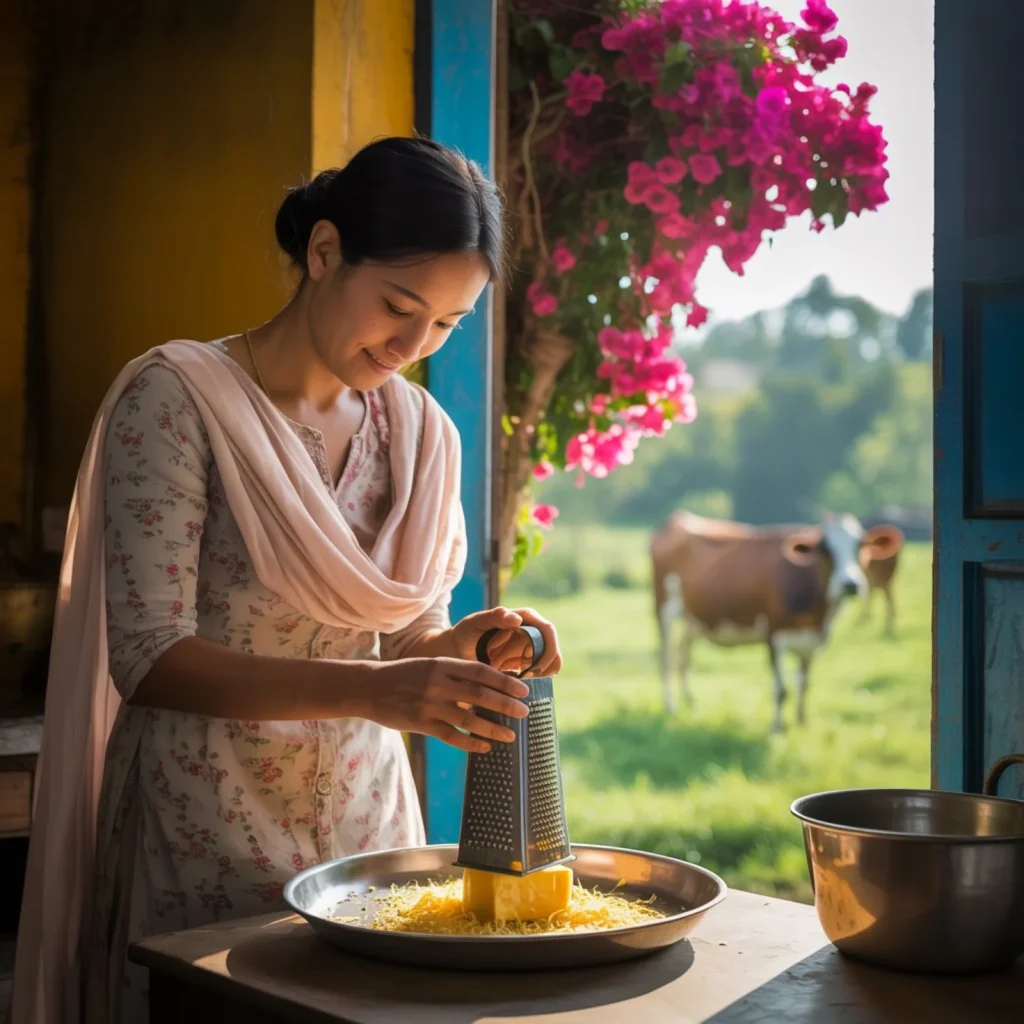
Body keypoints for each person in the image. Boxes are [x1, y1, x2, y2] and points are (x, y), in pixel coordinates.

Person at [12, 136, 562, 1024]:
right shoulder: (178, 398)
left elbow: (407, 632)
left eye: (446, 325)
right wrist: (382, 689)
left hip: (367, 829)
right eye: (399, 305)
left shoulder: (422, 435)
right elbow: (150, 659)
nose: (412, 345)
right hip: (201, 827)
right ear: (324, 252)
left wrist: (465, 647)